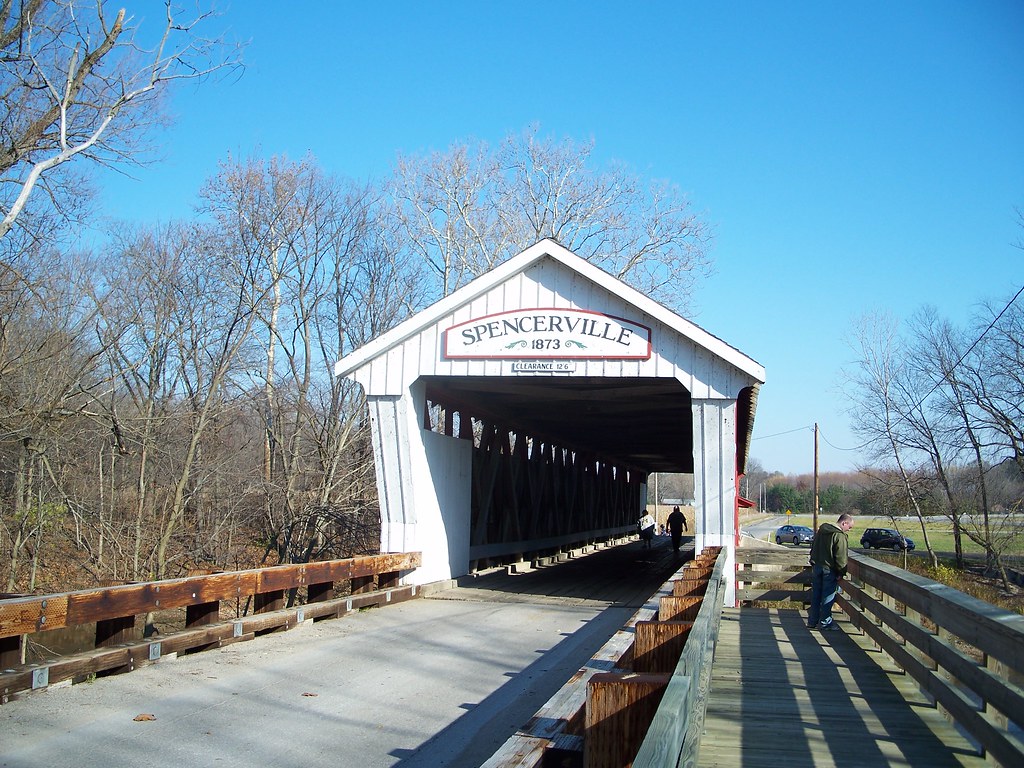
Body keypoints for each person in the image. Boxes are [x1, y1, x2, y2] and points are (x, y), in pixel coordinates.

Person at [807, 513, 854, 631]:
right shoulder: (839, 536)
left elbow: (814, 548)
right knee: (828, 595)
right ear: (844, 523)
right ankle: (825, 622)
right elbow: (841, 557)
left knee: (816, 594)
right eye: (849, 527)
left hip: (817, 566)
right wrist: (841, 573)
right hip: (829, 569)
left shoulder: (822, 531)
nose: (849, 530)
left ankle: (812, 621)